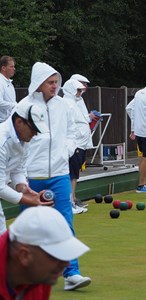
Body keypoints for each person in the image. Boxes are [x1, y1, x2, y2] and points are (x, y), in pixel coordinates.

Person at [16, 62, 92, 290]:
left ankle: (72, 274)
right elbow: (16, 140)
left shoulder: (64, 105)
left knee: (65, 224)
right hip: (32, 176)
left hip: (59, 174)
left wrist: (66, 150)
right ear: (38, 82)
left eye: (56, 82)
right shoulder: (23, 106)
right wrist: (22, 174)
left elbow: (71, 133)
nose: (54, 86)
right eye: (50, 82)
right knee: (29, 227)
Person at [0, 206, 90, 299]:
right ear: (24, 256)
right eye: (55, 256)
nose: (66, 263)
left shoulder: (40, 275)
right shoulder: (41, 273)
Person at [0, 101, 52, 234]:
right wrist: (28, 200)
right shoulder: (2, 141)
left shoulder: (24, 139)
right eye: (33, 128)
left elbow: (18, 169)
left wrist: (23, 188)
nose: (35, 134)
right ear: (19, 122)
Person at [62, 79, 92, 214]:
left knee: (74, 175)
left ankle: (72, 202)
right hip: (74, 145)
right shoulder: (67, 104)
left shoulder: (74, 103)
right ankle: (69, 204)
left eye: (81, 90)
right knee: (71, 175)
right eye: (78, 90)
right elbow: (69, 126)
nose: (80, 93)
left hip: (80, 144)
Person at [126, 74, 146, 193]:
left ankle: (144, 182)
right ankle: (141, 184)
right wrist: (135, 128)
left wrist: (134, 128)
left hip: (143, 131)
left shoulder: (140, 93)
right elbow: (129, 108)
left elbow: (130, 109)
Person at [0, 56, 16, 123]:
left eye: (14, 66)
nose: (14, 69)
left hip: (8, 122)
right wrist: (15, 105)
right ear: (3, 68)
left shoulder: (9, 83)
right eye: (11, 66)